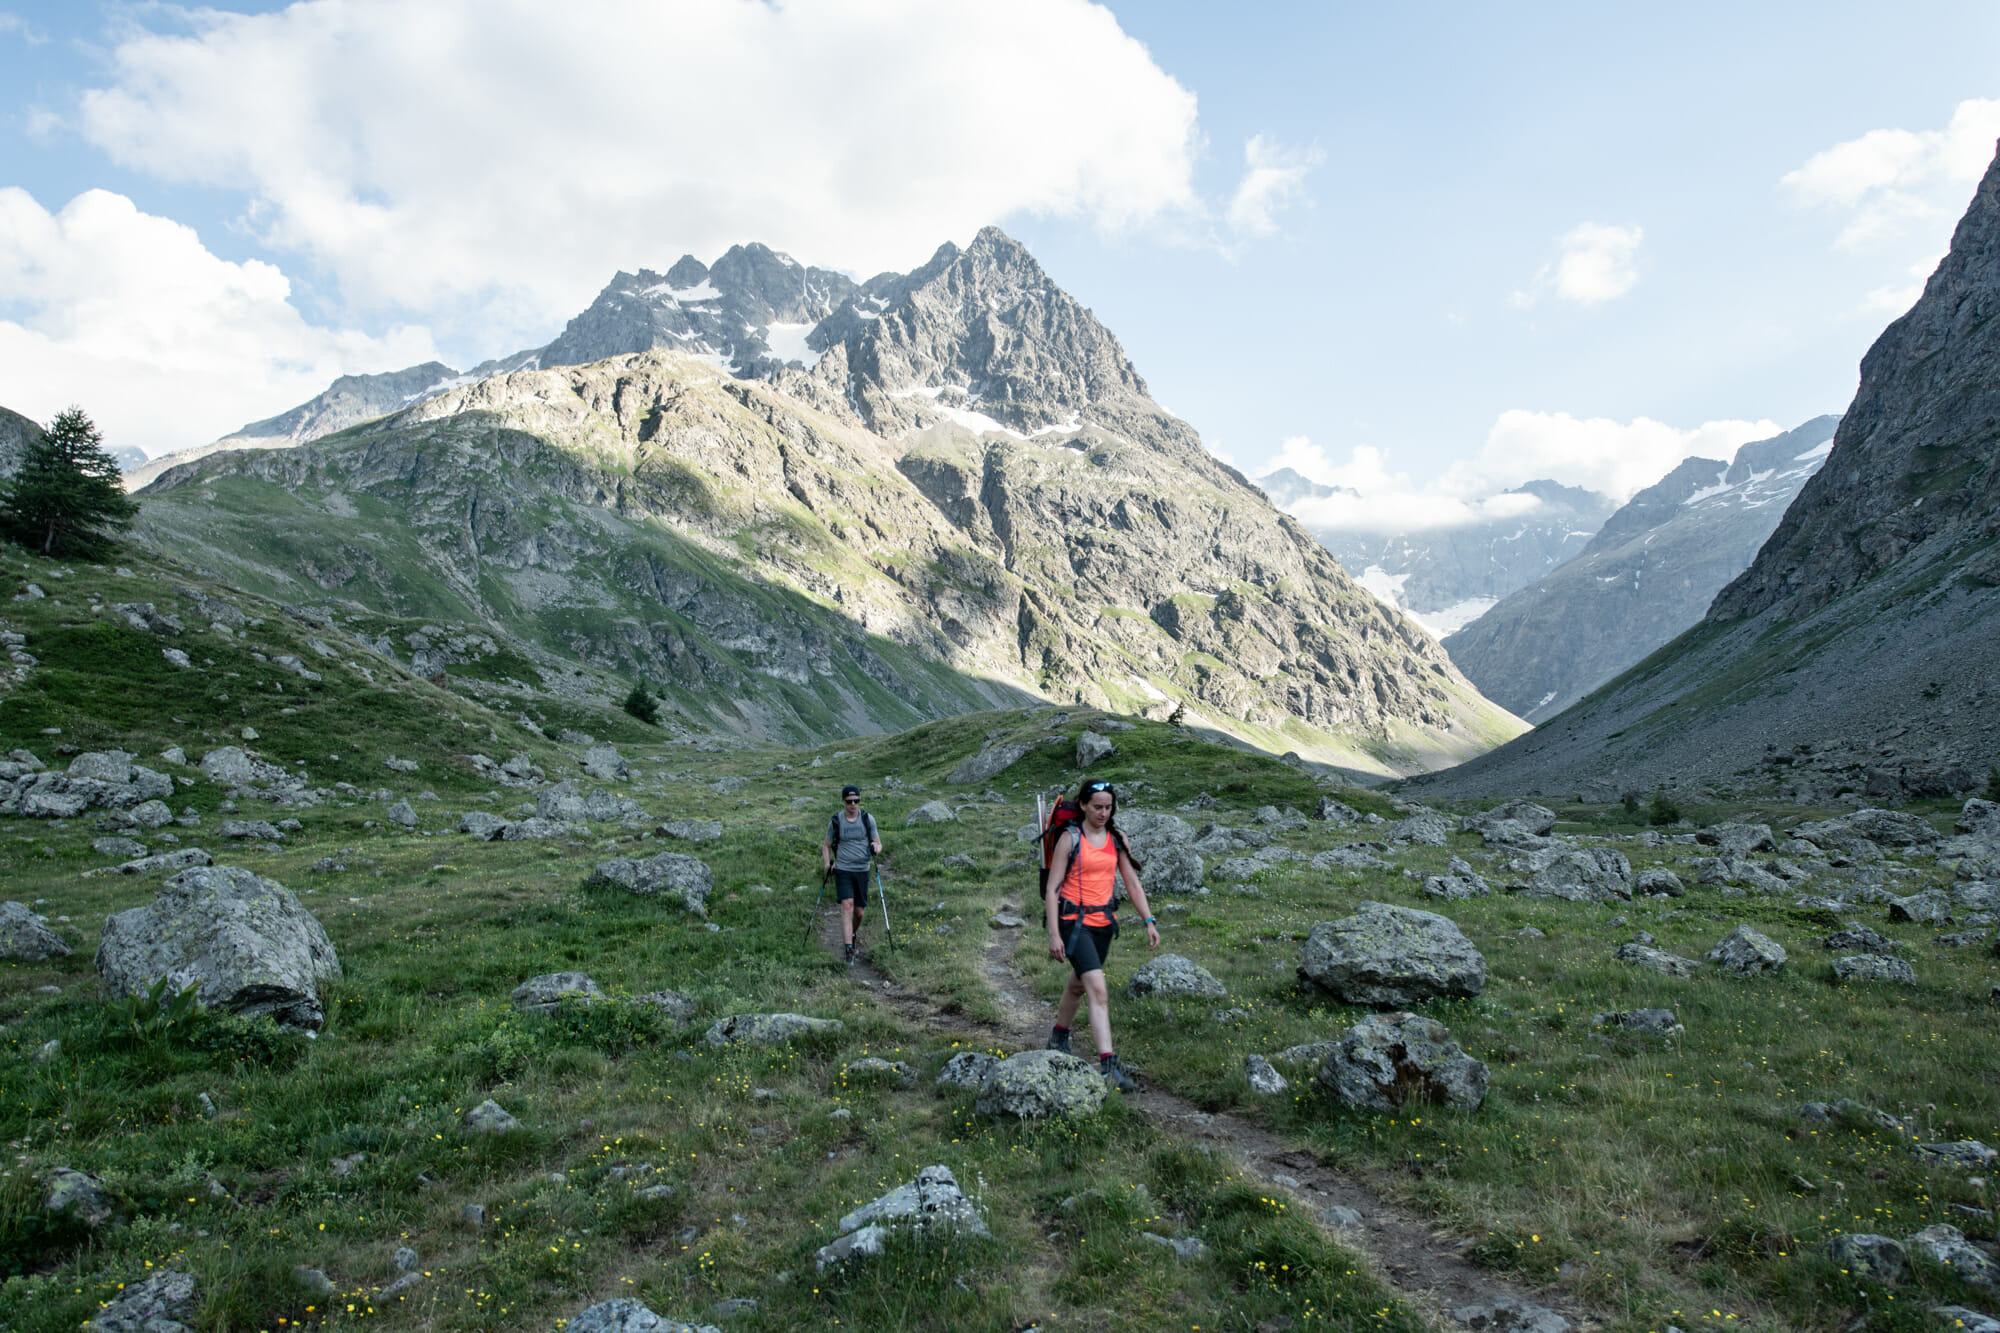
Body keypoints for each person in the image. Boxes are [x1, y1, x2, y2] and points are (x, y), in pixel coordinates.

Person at [1043, 778, 1159, 1090]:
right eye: (1097, 807)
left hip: (1104, 925)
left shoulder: (1116, 839)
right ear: (1082, 805)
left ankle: (1058, 1036)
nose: (1103, 813)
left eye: (1108, 807)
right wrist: (1054, 934)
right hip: (1073, 922)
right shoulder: (1070, 838)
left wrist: (1148, 920)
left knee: (1079, 984)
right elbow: (1053, 891)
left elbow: (1132, 883)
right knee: (1098, 989)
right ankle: (1109, 1067)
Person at [822, 784, 880, 963]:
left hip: (862, 869)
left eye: (856, 801)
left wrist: (876, 849)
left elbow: (878, 842)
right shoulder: (836, 821)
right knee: (847, 905)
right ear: (843, 801)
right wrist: (827, 864)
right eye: (849, 801)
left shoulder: (867, 819)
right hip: (843, 869)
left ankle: (853, 934)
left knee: (859, 912)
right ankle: (848, 949)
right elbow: (826, 845)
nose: (853, 804)